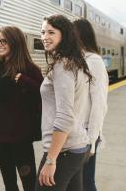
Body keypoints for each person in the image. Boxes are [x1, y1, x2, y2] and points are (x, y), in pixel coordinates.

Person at [37, 15, 92, 191]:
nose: (45, 37)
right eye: (43, 32)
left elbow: (65, 116)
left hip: (63, 151)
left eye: (51, 32)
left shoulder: (63, 66)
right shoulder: (75, 63)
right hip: (76, 146)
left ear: (64, 35)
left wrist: (51, 159)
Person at [0, 26, 43, 191]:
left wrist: (25, 80)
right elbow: (1, 97)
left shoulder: (29, 68)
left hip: (21, 138)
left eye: (4, 41)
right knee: (9, 183)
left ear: (15, 43)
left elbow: (43, 94)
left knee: (29, 183)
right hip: (1, 136)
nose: (0, 44)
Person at [73, 19, 109, 191]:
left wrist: (92, 139)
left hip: (87, 132)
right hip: (75, 131)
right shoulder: (77, 59)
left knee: (86, 183)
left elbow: (99, 102)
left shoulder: (93, 61)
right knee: (76, 183)